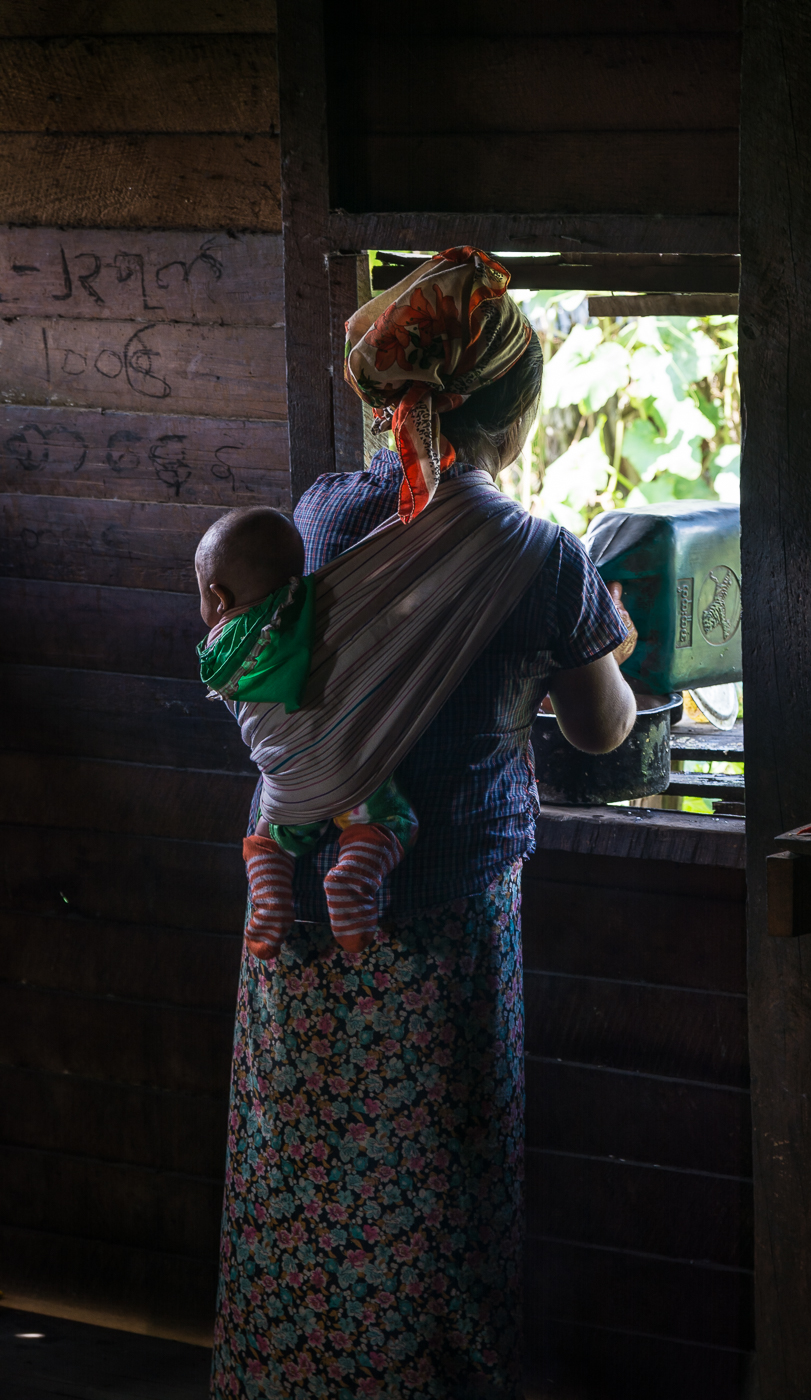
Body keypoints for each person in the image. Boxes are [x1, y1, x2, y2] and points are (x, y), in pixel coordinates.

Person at [211, 248, 636, 1400]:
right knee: (433, 1191)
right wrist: (606, 638)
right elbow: (602, 730)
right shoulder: (541, 555)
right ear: (513, 409)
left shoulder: (325, 509)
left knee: (298, 1177)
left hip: (292, 905)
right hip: (435, 915)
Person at [195, 507, 419, 958]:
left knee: (268, 833)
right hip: (351, 775)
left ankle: (271, 896)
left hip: (290, 788)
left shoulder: (217, 657)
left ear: (219, 597)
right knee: (392, 821)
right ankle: (353, 876)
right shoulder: (316, 608)